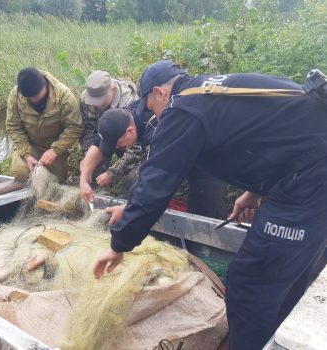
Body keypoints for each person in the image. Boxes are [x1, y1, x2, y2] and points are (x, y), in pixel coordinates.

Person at [93, 60, 327, 350]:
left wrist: (119, 245)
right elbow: (270, 132)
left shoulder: (183, 109)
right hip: (308, 168)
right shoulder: (211, 90)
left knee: (250, 283)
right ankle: (274, 337)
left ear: (160, 92)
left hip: (311, 180)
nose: (153, 114)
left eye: (150, 106)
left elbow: (156, 184)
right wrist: (254, 191)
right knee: (290, 270)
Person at [80, 101, 227, 220]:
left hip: (208, 152)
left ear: (130, 131)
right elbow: (97, 145)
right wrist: (83, 180)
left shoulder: (155, 134)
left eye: (118, 144)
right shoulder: (126, 114)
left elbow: (156, 183)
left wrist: (129, 210)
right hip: (184, 145)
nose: (118, 148)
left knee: (205, 205)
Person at [6, 67, 83, 182]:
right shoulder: (15, 95)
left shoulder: (63, 95)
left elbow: (75, 127)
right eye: (29, 97)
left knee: (58, 179)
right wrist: (27, 154)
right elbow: (14, 127)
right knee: (20, 172)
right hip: (30, 145)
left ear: (44, 85)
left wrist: (55, 150)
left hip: (54, 146)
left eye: (36, 95)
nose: (33, 99)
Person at [79, 70, 138, 181]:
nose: (97, 104)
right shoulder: (86, 98)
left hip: (125, 142)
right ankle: (96, 192)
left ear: (113, 90)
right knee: (91, 164)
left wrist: (112, 172)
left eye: (101, 100)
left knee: (132, 175)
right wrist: (87, 155)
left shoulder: (129, 100)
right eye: (93, 101)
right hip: (102, 139)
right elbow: (88, 128)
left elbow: (135, 148)